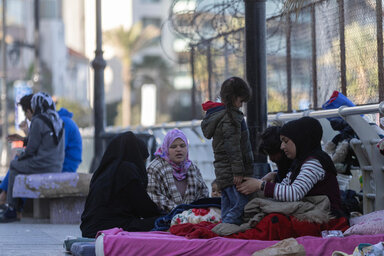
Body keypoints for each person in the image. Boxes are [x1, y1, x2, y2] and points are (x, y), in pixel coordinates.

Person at [237, 116, 344, 217]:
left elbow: (295, 193)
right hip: (312, 211)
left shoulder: (314, 162)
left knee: (274, 221)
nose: (282, 146)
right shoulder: (299, 163)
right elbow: (285, 187)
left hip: (327, 216)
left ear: (299, 140)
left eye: (285, 141)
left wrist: (261, 185)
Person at [0, 98, 83, 205]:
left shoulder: (60, 122)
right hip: (58, 163)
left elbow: (53, 149)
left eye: (27, 113)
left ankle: (5, 198)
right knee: (19, 162)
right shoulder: (55, 120)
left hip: (65, 166)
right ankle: (6, 197)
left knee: (18, 164)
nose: (28, 118)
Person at [80, 132, 163, 238]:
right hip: (108, 229)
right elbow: (144, 208)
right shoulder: (127, 171)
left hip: (89, 229)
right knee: (161, 222)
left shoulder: (104, 171)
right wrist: (165, 215)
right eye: (142, 160)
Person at [0, 92, 65, 222]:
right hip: (56, 165)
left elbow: (31, 150)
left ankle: (13, 209)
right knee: (19, 164)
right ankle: (16, 208)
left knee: (14, 165)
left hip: (42, 165)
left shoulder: (38, 120)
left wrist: (20, 156)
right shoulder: (57, 119)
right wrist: (24, 141)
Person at [201, 76, 254, 225]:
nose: (241, 105)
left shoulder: (218, 115)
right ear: (233, 98)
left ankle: (223, 230)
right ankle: (227, 230)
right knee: (239, 206)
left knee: (228, 204)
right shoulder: (230, 118)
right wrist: (238, 171)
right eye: (240, 101)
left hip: (223, 170)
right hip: (233, 173)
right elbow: (233, 147)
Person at [146, 128, 209, 213]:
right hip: (164, 219)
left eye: (182, 146)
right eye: (173, 146)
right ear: (166, 148)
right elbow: (153, 195)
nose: (178, 149)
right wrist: (180, 213)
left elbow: (203, 193)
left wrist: (193, 213)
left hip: (192, 219)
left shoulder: (192, 168)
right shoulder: (155, 168)